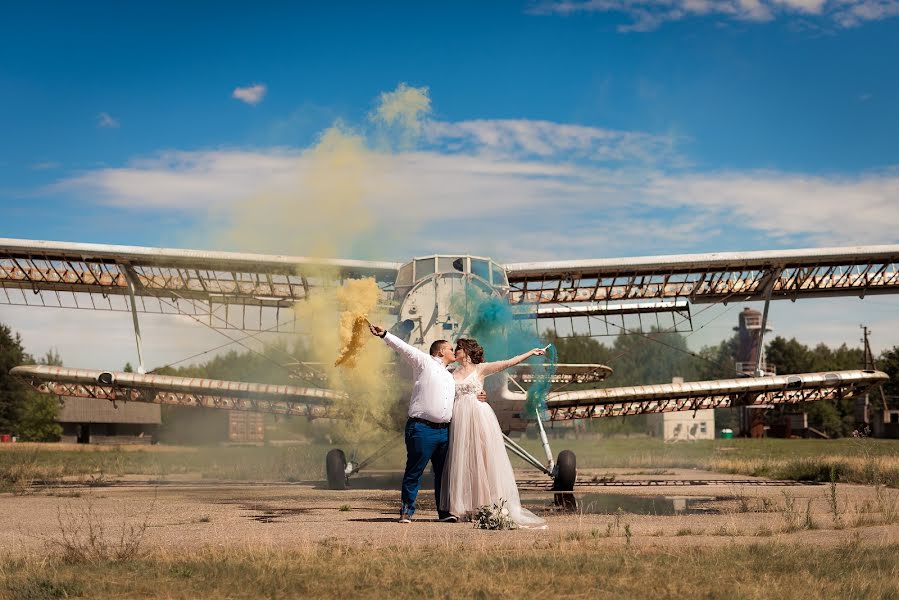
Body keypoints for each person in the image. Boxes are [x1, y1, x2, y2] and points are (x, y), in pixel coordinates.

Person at [368, 323, 484, 524]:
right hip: (421, 428)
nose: (453, 351)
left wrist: (481, 395)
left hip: (444, 431)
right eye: (450, 348)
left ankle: (444, 512)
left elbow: (468, 386)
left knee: (443, 475)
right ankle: (407, 511)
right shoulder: (424, 362)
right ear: (440, 352)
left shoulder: (451, 375)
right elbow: (404, 347)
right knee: (414, 470)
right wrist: (385, 334)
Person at [440, 338, 547, 528]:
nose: (455, 351)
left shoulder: (481, 369)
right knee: (463, 461)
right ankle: (465, 506)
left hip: (479, 416)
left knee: (483, 459)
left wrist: (530, 353)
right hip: (459, 418)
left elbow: (507, 363)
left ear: (466, 351)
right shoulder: (450, 372)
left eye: (458, 348)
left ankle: (486, 504)